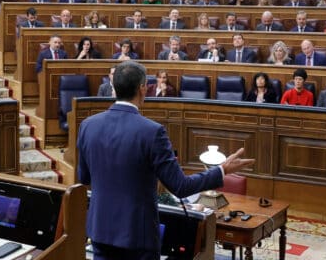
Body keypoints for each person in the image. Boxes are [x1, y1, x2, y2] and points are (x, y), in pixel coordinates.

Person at [77, 61, 253, 259]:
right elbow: (180, 186)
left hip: (100, 231)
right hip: (137, 236)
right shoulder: (152, 132)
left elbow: (83, 177)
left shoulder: (88, 126)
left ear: (113, 87)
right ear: (142, 88)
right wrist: (221, 170)